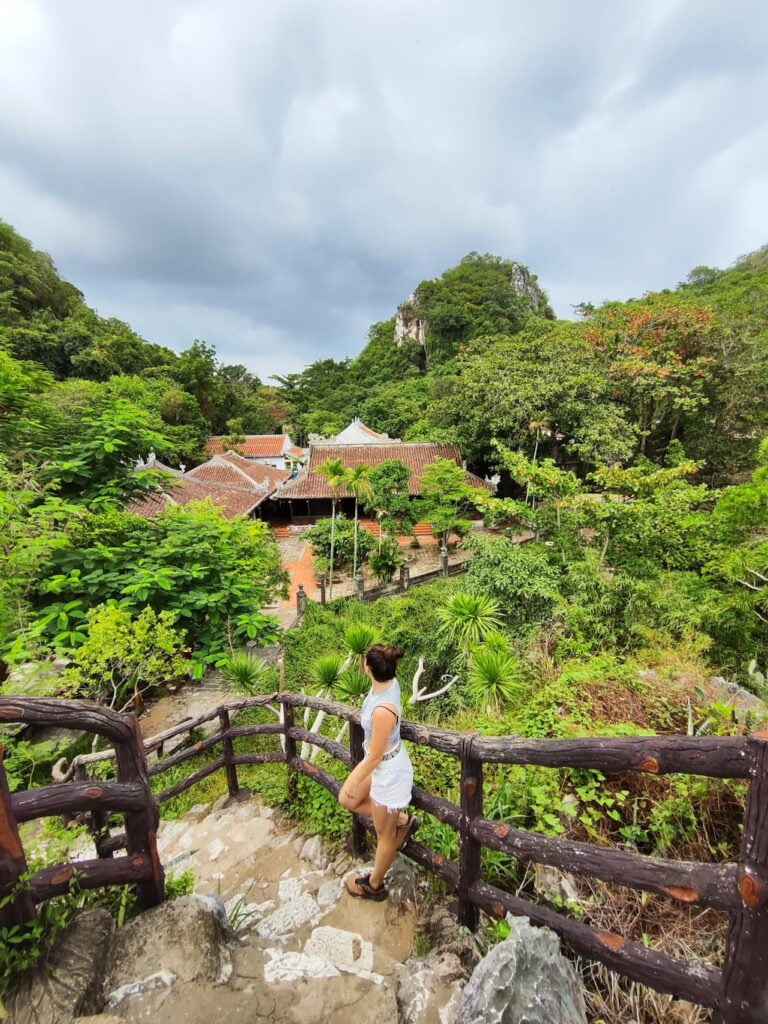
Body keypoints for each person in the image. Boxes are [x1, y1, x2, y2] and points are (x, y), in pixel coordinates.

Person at [338, 643, 420, 900]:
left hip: (389, 771)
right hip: (382, 764)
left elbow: (374, 755)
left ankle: (374, 886)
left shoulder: (383, 711)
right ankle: (402, 820)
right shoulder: (388, 683)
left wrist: (354, 778)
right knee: (347, 799)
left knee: (385, 836)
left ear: (369, 668)